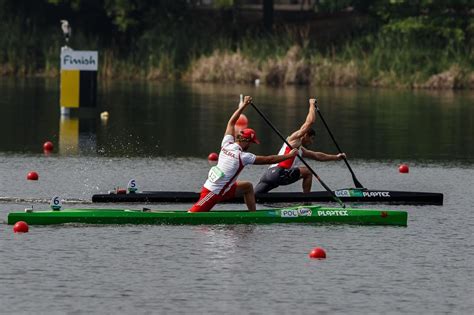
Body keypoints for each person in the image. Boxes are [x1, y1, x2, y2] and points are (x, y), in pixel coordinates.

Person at [188, 96, 298, 212]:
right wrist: (289, 155)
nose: (251, 145)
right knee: (192, 214)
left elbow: (231, 122)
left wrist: (244, 105)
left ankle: (253, 214)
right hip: (213, 191)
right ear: (246, 141)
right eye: (251, 142)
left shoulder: (226, 144)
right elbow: (268, 159)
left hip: (226, 188)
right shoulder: (243, 157)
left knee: (247, 187)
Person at [254, 98, 346, 194]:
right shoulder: (294, 140)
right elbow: (309, 122)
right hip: (278, 173)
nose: (312, 142)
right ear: (306, 135)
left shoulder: (300, 149)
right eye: (312, 138)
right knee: (308, 172)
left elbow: (318, 156)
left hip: (268, 175)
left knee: (253, 196)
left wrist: (336, 157)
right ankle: (306, 200)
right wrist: (311, 104)